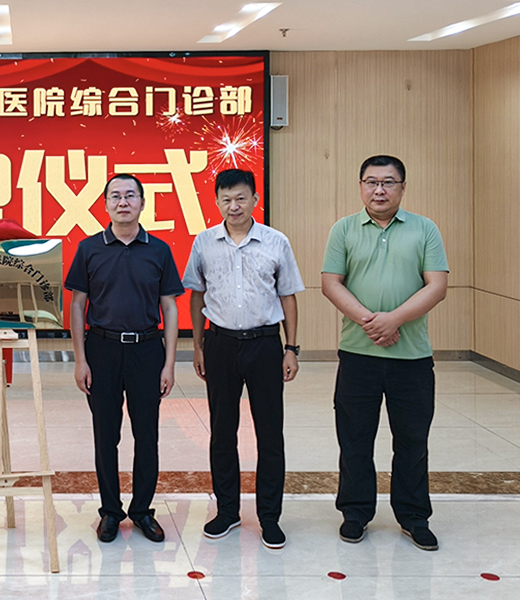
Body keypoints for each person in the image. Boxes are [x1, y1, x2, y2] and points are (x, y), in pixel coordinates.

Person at [322, 155, 448, 551]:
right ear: (361, 186)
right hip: (357, 354)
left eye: (388, 182)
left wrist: (394, 320)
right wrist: (371, 322)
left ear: (402, 188)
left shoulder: (425, 229)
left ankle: (413, 516)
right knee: (354, 438)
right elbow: (331, 283)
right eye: (371, 182)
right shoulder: (343, 229)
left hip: (411, 358)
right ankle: (355, 512)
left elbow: (437, 286)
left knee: (412, 440)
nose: (379, 190)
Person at [182, 168, 304, 549]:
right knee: (222, 431)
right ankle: (227, 511)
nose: (233, 206)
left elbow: (288, 296)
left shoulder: (276, 242)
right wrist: (198, 346)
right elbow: (197, 295)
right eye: (226, 199)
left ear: (254, 199)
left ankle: (270, 517)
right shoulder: (204, 242)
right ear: (217, 202)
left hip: (265, 344)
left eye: (240, 198)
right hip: (220, 344)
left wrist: (291, 348)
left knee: (270, 433)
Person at [65, 173, 183, 543]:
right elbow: (78, 305)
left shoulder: (159, 250)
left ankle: (143, 511)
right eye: (115, 196)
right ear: (105, 204)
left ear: (142, 203)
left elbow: (170, 307)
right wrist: (80, 359)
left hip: (147, 349)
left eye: (130, 195)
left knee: (147, 434)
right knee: (106, 435)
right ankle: (110, 512)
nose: (123, 202)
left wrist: (169, 363)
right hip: (101, 349)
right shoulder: (89, 249)